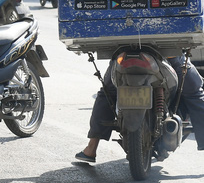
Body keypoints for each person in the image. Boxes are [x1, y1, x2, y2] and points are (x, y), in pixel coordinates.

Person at [76, 55, 204, 162]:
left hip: (123, 53)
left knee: (106, 93)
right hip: (168, 55)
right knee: (195, 94)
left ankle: (92, 148)